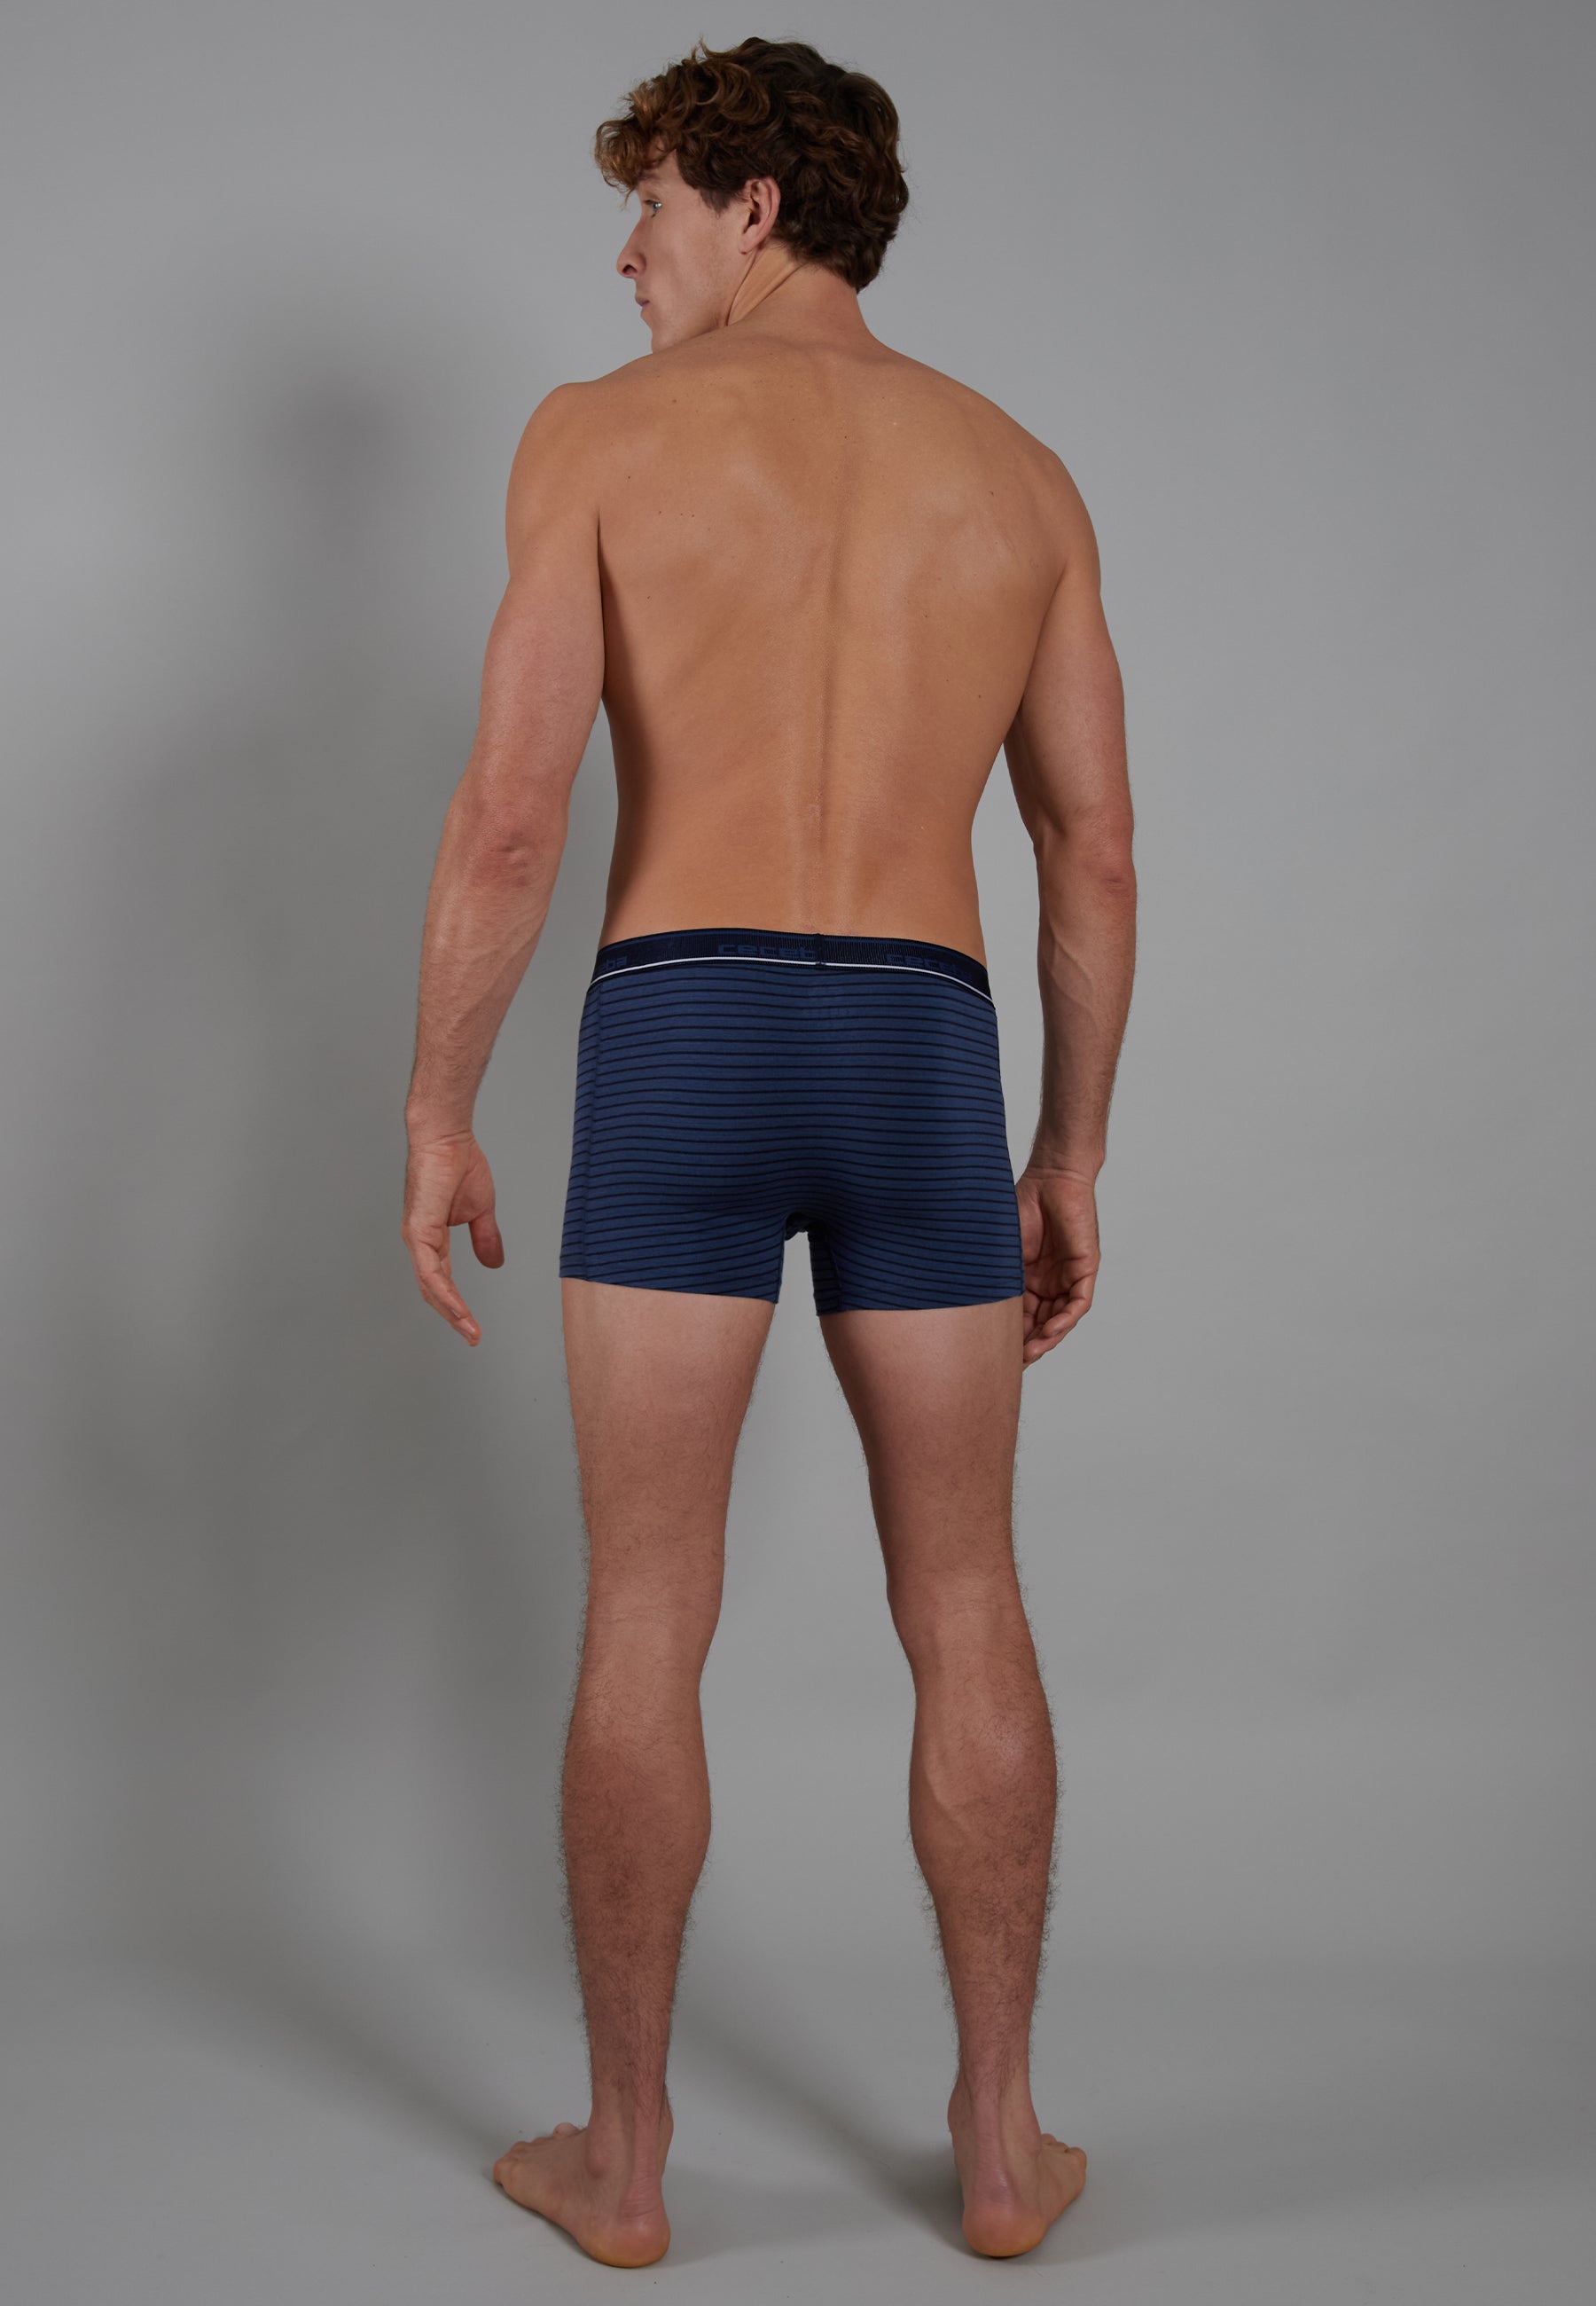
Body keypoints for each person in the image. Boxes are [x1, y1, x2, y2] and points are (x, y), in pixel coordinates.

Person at [401, 34, 1135, 2270]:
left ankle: (625, 2164)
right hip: (921, 1047)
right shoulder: (1020, 478)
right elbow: (1092, 853)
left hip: (688, 1034)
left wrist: (437, 1103)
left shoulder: (598, 439)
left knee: (647, 1609)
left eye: (649, 207)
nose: (623, 256)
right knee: (968, 1598)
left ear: (755, 205)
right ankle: (1001, 2146)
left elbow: (513, 817)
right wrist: (1069, 1148)